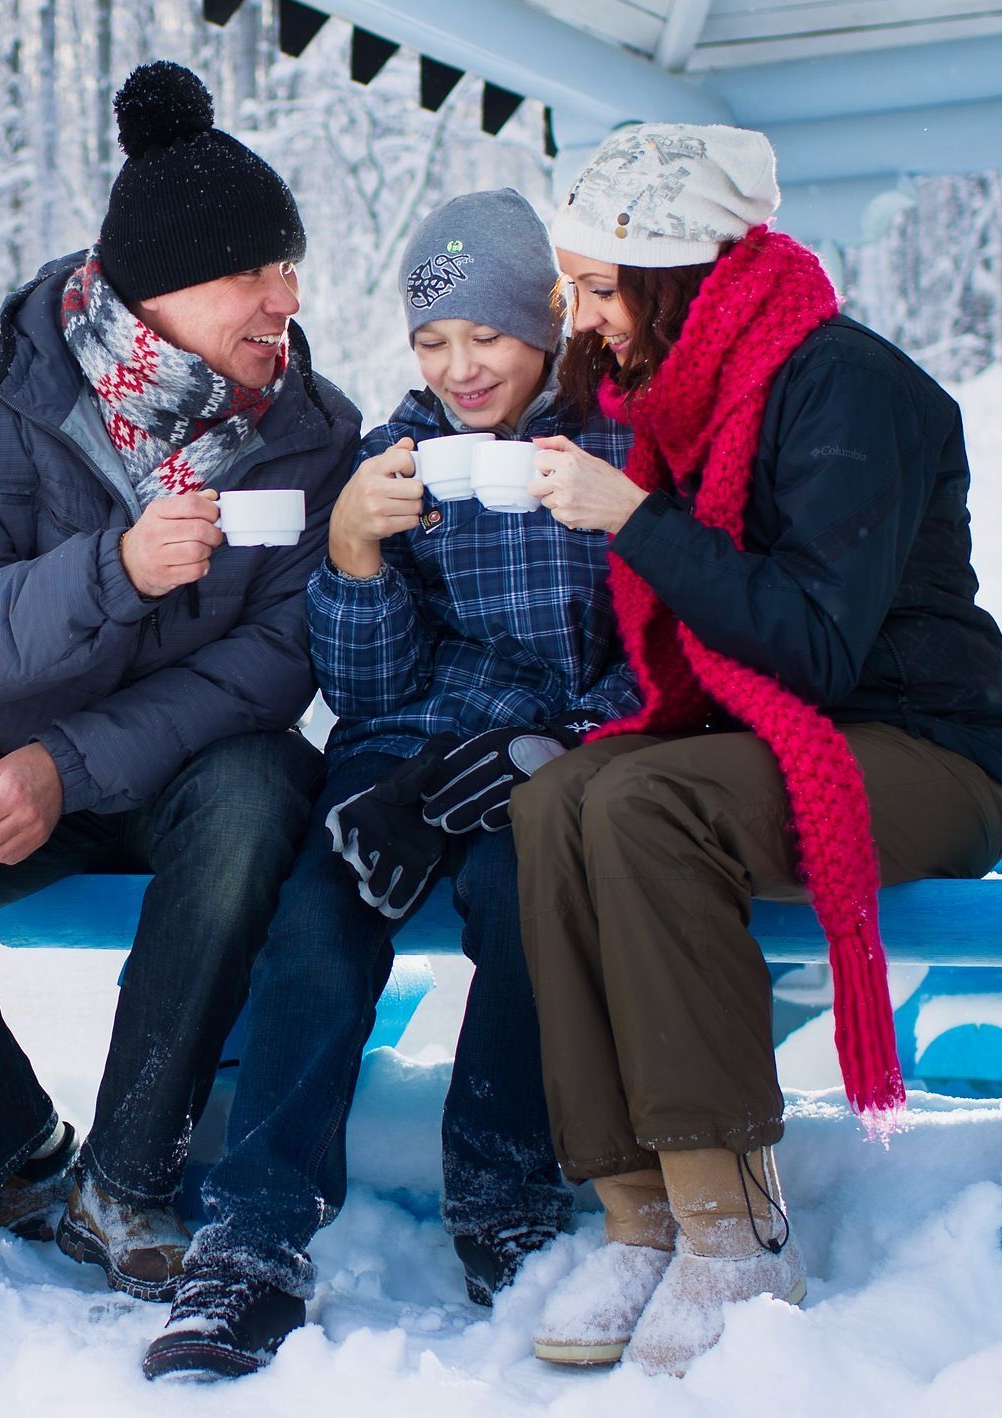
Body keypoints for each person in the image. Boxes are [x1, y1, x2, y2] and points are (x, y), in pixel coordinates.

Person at [0, 61, 361, 1303]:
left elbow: (276, 662)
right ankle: (13, 1167)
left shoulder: (313, 431)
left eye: (290, 267)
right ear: (159, 288)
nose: (287, 298)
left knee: (261, 784)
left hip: (196, 771)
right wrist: (116, 571)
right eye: (255, 273)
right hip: (16, 760)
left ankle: (127, 1178)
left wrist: (69, 762)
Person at [508, 124, 1002, 1376]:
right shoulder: (689, 386)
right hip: (781, 742)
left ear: (674, 270)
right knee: (558, 798)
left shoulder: (842, 382)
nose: (583, 318)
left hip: (922, 750)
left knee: (642, 804)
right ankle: (636, 1211)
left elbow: (813, 642)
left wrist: (637, 519)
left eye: (598, 285)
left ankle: (731, 1223)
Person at [143, 188, 639, 1380]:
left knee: (528, 894)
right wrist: (353, 550)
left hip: (548, 761)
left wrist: (549, 748)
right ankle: (252, 1236)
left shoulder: (619, 450)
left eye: (488, 334)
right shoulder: (397, 456)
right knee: (319, 911)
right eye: (431, 340)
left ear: (549, 320)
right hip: (403, 756)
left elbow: (657, 659)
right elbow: (368, 687)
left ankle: (504, 1189)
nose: (460, 368)